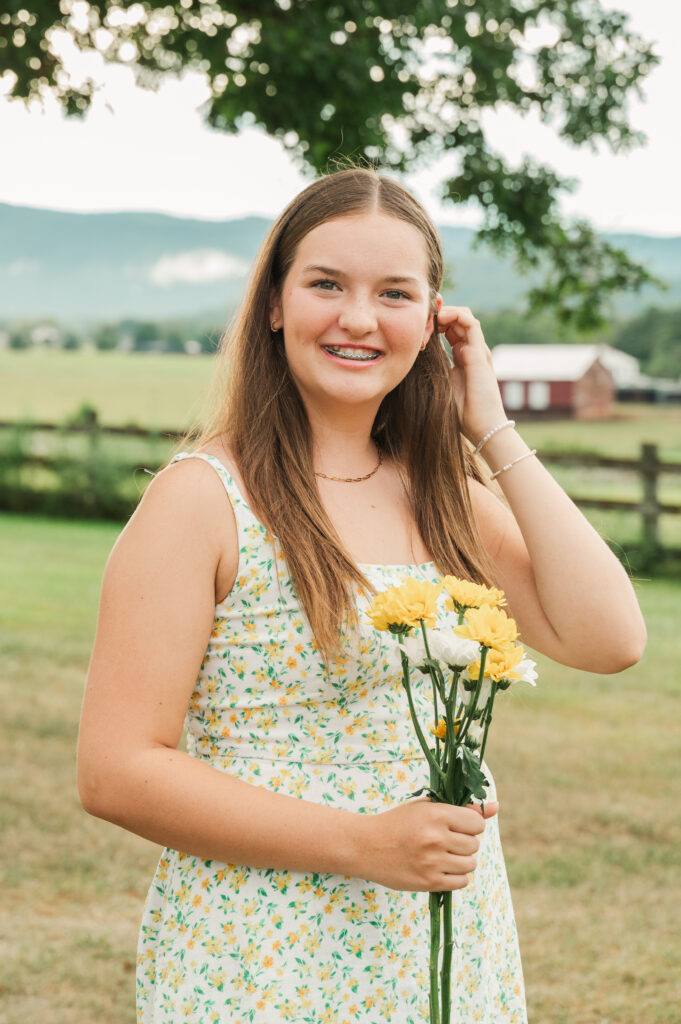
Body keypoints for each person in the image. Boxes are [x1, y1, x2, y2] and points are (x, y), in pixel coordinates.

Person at [77, 167, 646, 1024]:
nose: (356, 318)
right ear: (274, 303)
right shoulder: (201, 500)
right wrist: (360, 843)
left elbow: (609, 637)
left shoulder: (442, 493)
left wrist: (486, 425)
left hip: (438, 942)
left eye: (394, 294)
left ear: (431, 322)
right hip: (263, 949)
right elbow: (116, 771)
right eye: (326, 284)